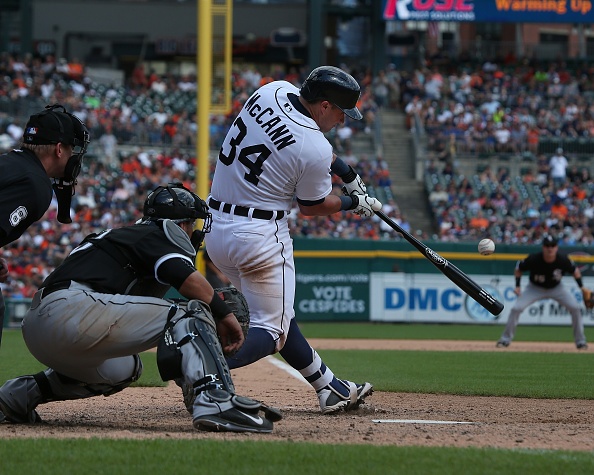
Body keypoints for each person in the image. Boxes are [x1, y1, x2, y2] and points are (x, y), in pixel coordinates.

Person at [0, 183, 280, 433]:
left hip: (43, 325)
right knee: (190, 311)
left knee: (124, 368)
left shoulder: (129, 237)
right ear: (180, 224)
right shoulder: (156, 233)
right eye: (192, 224)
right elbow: (187, 282)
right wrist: (224, 314)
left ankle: (16, 396)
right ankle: (213, 399)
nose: (194, 232)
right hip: (70, 310)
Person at [205, 65, 381, 414]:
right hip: (258, 237)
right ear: (325, 104)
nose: (343, 122)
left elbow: (291, 140)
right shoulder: (313, 146)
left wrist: (345, 171)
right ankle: (201, 370)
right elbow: (313, 206)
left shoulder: (272, 91)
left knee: (280, 315)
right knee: (272, 331)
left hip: (217, 229)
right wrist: (352, 202)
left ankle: (329, 388)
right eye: (341, 113)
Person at [0, 104, 90, 347]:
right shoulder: (35, 183)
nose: (74, 156)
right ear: (59, 149)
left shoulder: (11, 161)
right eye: (72, 149)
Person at [496, 235, 588, 350]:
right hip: (534, 288)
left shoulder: (562, 260)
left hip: (557, 288)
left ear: (556, 247)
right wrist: (518, 286)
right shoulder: (534, 259)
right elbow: (518, 268)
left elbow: (575, 271)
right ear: (543, 247)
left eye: (553, 245)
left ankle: (580, 341)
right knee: (516, 309)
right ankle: (505, 340)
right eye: (547, 246)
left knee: (575, 308)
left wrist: (582, 287)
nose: (550, 248)